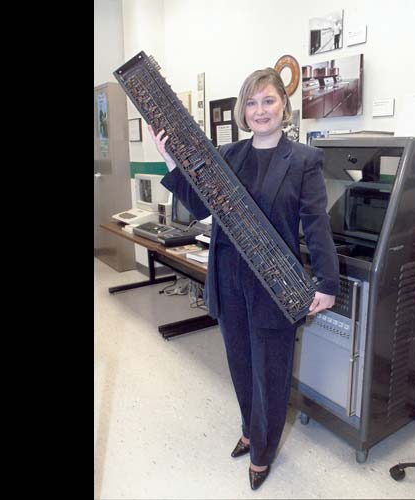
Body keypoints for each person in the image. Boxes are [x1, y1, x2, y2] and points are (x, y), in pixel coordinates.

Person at [147, 68, 339, 491]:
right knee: (239, 363)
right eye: (251, 103)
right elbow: (201, 206)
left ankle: (262, 452)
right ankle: (250, 429)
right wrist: (170, 161)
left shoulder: (303, 161)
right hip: (229, 276)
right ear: (242, 110)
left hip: (275, 284)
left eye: (268, 101)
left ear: (283, 106)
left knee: (270, 370)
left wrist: (326, 283)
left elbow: (315, 223)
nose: (259, 110)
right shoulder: (229, 155)